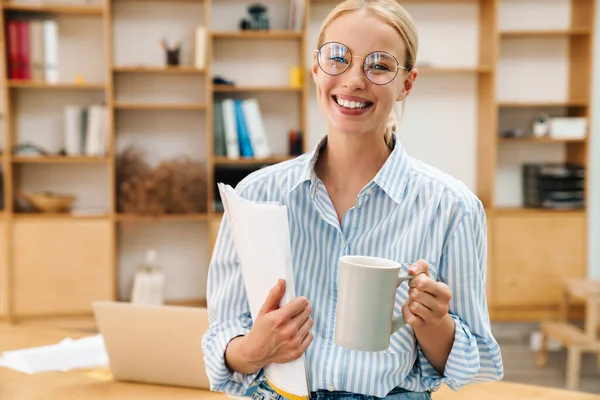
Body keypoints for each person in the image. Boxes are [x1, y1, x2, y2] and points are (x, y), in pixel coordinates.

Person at [201, 0, 504, 398]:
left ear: (406, 84)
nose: (354, 80)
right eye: (337, 58)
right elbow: (222, 341)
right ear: (316, 68)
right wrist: (253, 349)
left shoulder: (452, 207)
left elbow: (476, 361)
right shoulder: (255, 195)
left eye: (378, 65)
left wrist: (433, 323)